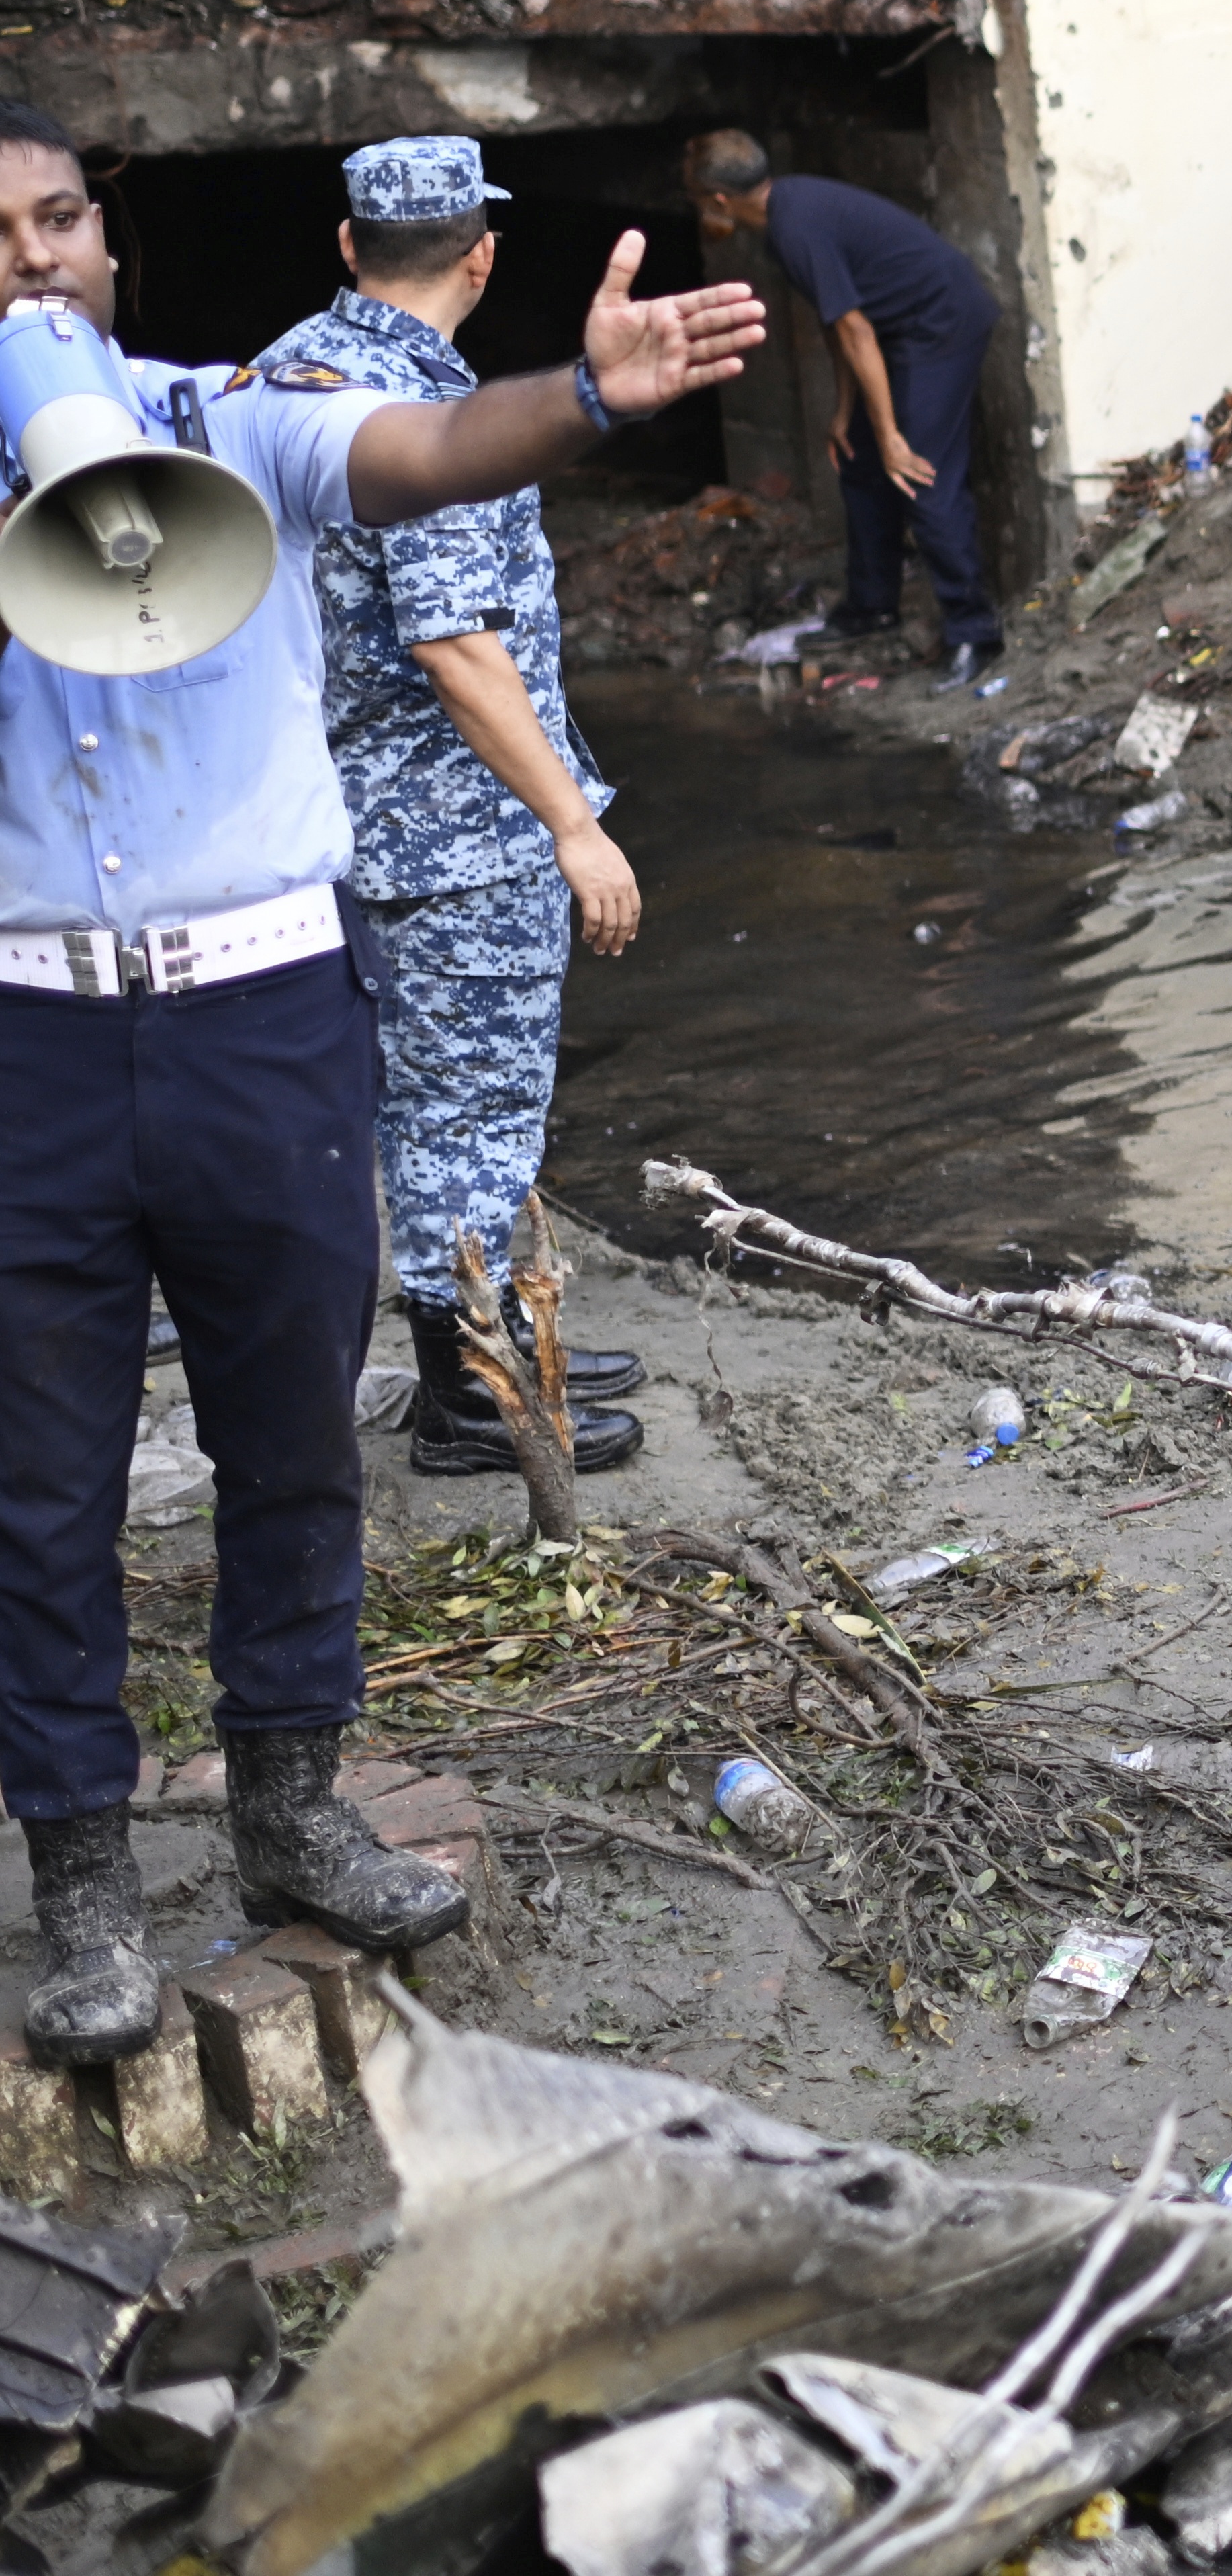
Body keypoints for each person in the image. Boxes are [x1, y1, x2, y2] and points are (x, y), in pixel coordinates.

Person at [0, 99, 761, 2059]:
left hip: (262, 1010)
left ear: (114, 241)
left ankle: (290, 1807)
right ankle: (83, 1888)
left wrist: (583, 400)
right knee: (42, 1483)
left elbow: (427, 450)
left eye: (60, 216)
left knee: (290, 1441)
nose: (32, 258)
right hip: (40, 1031)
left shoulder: (244, 415)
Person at [279, 138, 649, 1482]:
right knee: (474, 1113)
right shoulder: (427, 414)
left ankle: (494, 1344)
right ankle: (470, 1399)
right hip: (456, 824)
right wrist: (570, 819)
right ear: (481, 253)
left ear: (347, 244)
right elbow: (454, 641)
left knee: (432, 1106)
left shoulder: (293, 367)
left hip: (353, 809)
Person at [683, 130, 1004, 687]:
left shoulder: (794, 227)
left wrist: (891, 436)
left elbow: (854, 328)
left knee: (920, 477)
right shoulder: (786, 211)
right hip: (895, 333)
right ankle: (872, 606)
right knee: (858, 458)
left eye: (695, 203)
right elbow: (840, 322)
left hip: (940, 325)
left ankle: (976, 633)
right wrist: (846, 409)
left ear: (717, 201)